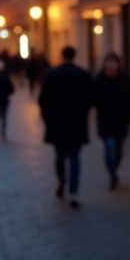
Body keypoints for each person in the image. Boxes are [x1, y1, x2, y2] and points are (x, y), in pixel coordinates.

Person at [38, 46, 91, 208]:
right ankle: (73, 192)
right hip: (77, 124)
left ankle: (62, 180)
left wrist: (47, 119)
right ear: (75, 56)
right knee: (75, 158)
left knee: (60, 156)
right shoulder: (83, 75)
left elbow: (43, 100)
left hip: (57, 123)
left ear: (62, 56)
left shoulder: (52, 75)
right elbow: (90, 99)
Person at [93, 52, 130, 190]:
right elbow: (92, 97)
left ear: (118, 65)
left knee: (118, 149)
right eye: (109, 62)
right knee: (109, 147)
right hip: (105, 120)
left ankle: (114, 169)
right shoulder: (99, 79)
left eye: (114, 63)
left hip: (121, 121)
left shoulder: (125, 80)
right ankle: (112, 175)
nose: (111, 66)